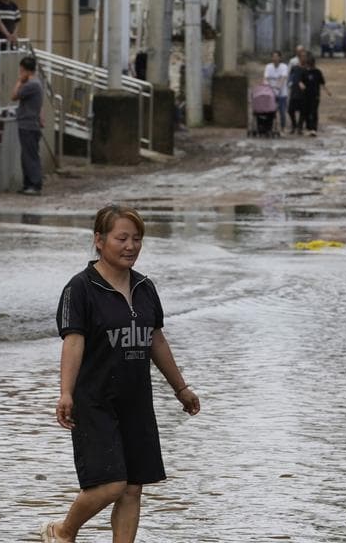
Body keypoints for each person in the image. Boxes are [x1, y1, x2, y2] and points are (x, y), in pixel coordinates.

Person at [44, 205, 200, 543]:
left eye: (137, 239)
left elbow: (156, 339)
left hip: (136, 401)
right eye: (121, 238)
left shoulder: (145, 287)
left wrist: (181, 388)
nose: (130, 246)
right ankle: (63, 531)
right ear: (99, 241)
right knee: (111, 485)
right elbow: (73, 343)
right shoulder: (80, 288)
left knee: (132, 489)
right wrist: (66, 393)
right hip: (95, 401)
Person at [13, 56, 43, 195]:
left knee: (30, 155)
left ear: (25, 70)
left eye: (21, 70)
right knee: (26, 155)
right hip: (29, 122)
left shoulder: (31, 85)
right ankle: (28, 184)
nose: (19, 73)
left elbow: (14, 96)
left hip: (28, 124)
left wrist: (19, 81)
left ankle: (34, 184)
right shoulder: (37, 83)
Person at [297, 53, 330, 137]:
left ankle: (313, 129)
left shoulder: (317, 72)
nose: (310, 65)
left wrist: (327, 91)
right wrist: (301, 85)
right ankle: (300, 128)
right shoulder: (304, 72)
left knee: (314, 112)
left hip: (315, 95)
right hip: (305, 95)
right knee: (304, 112)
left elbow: (322, 83)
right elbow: (300, 81)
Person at [262, 51, 289, 131]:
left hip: (282, 93)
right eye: (273, 57)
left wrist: (279, 86)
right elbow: (265, 78)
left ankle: (283, 127)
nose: (275, 58)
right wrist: (266, 85)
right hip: (271, 93)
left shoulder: (284, 66)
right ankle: (268, 127)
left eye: (277, 57)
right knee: (269, 111)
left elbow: (283, 77)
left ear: (280, 58)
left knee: (282, 111)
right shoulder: (268, 67)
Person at [286, 45, 306, 134]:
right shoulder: (294, 64)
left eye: (302, 53)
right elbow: (289, 74)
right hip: (294, 90)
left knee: (303, 110)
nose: (301, 55)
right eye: (298, 52)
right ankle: (294, 125)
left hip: (304, 92)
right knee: (291, 110)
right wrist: (289, 83)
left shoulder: (307, 68)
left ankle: (300, 127)